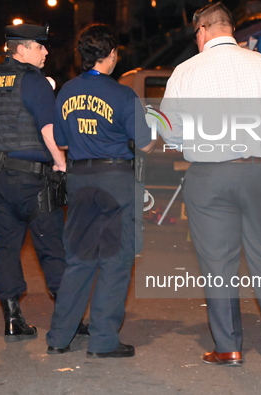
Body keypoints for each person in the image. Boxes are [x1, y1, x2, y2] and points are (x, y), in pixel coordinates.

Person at [158, 2, 261, 366]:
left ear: (201, 31)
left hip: (211, 175)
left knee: (218, 263)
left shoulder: (187, 71)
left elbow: (169, 131)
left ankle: (229, 348)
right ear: (231, 29)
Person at [45, 23, 154, 358]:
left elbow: (61, 140)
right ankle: (103, 341)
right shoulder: (122, 94)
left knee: (78, 259)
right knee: (116, 261)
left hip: (79, 180)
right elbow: (146, 144)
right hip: (116, 180)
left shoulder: (65, 92)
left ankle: (59, 337)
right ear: (110, 55)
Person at [0, 23, 68, 342]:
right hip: (31, 178)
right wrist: (61, 164)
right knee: (51, 247)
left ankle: (12, 318)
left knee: (7, 247)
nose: (46, 51)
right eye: (40, 46)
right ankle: (68, 320)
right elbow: (48, 130)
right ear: (22, 49)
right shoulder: (32, 80)